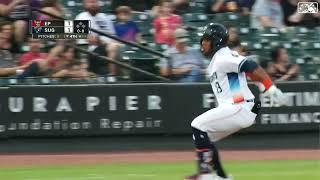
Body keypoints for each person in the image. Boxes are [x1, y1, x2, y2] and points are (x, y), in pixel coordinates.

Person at [185, 23, 287, 180]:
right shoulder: (219, 58)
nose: (202, 43)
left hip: (239, 107)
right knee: (205, 137)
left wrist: (270, 87)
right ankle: (222, 176)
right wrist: (262, 86)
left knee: (198, 125)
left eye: (206, 40)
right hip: (238, 106)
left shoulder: (223, 57)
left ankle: (205, 174)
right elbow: (244, 72)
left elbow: (251, 65)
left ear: (216, 41)